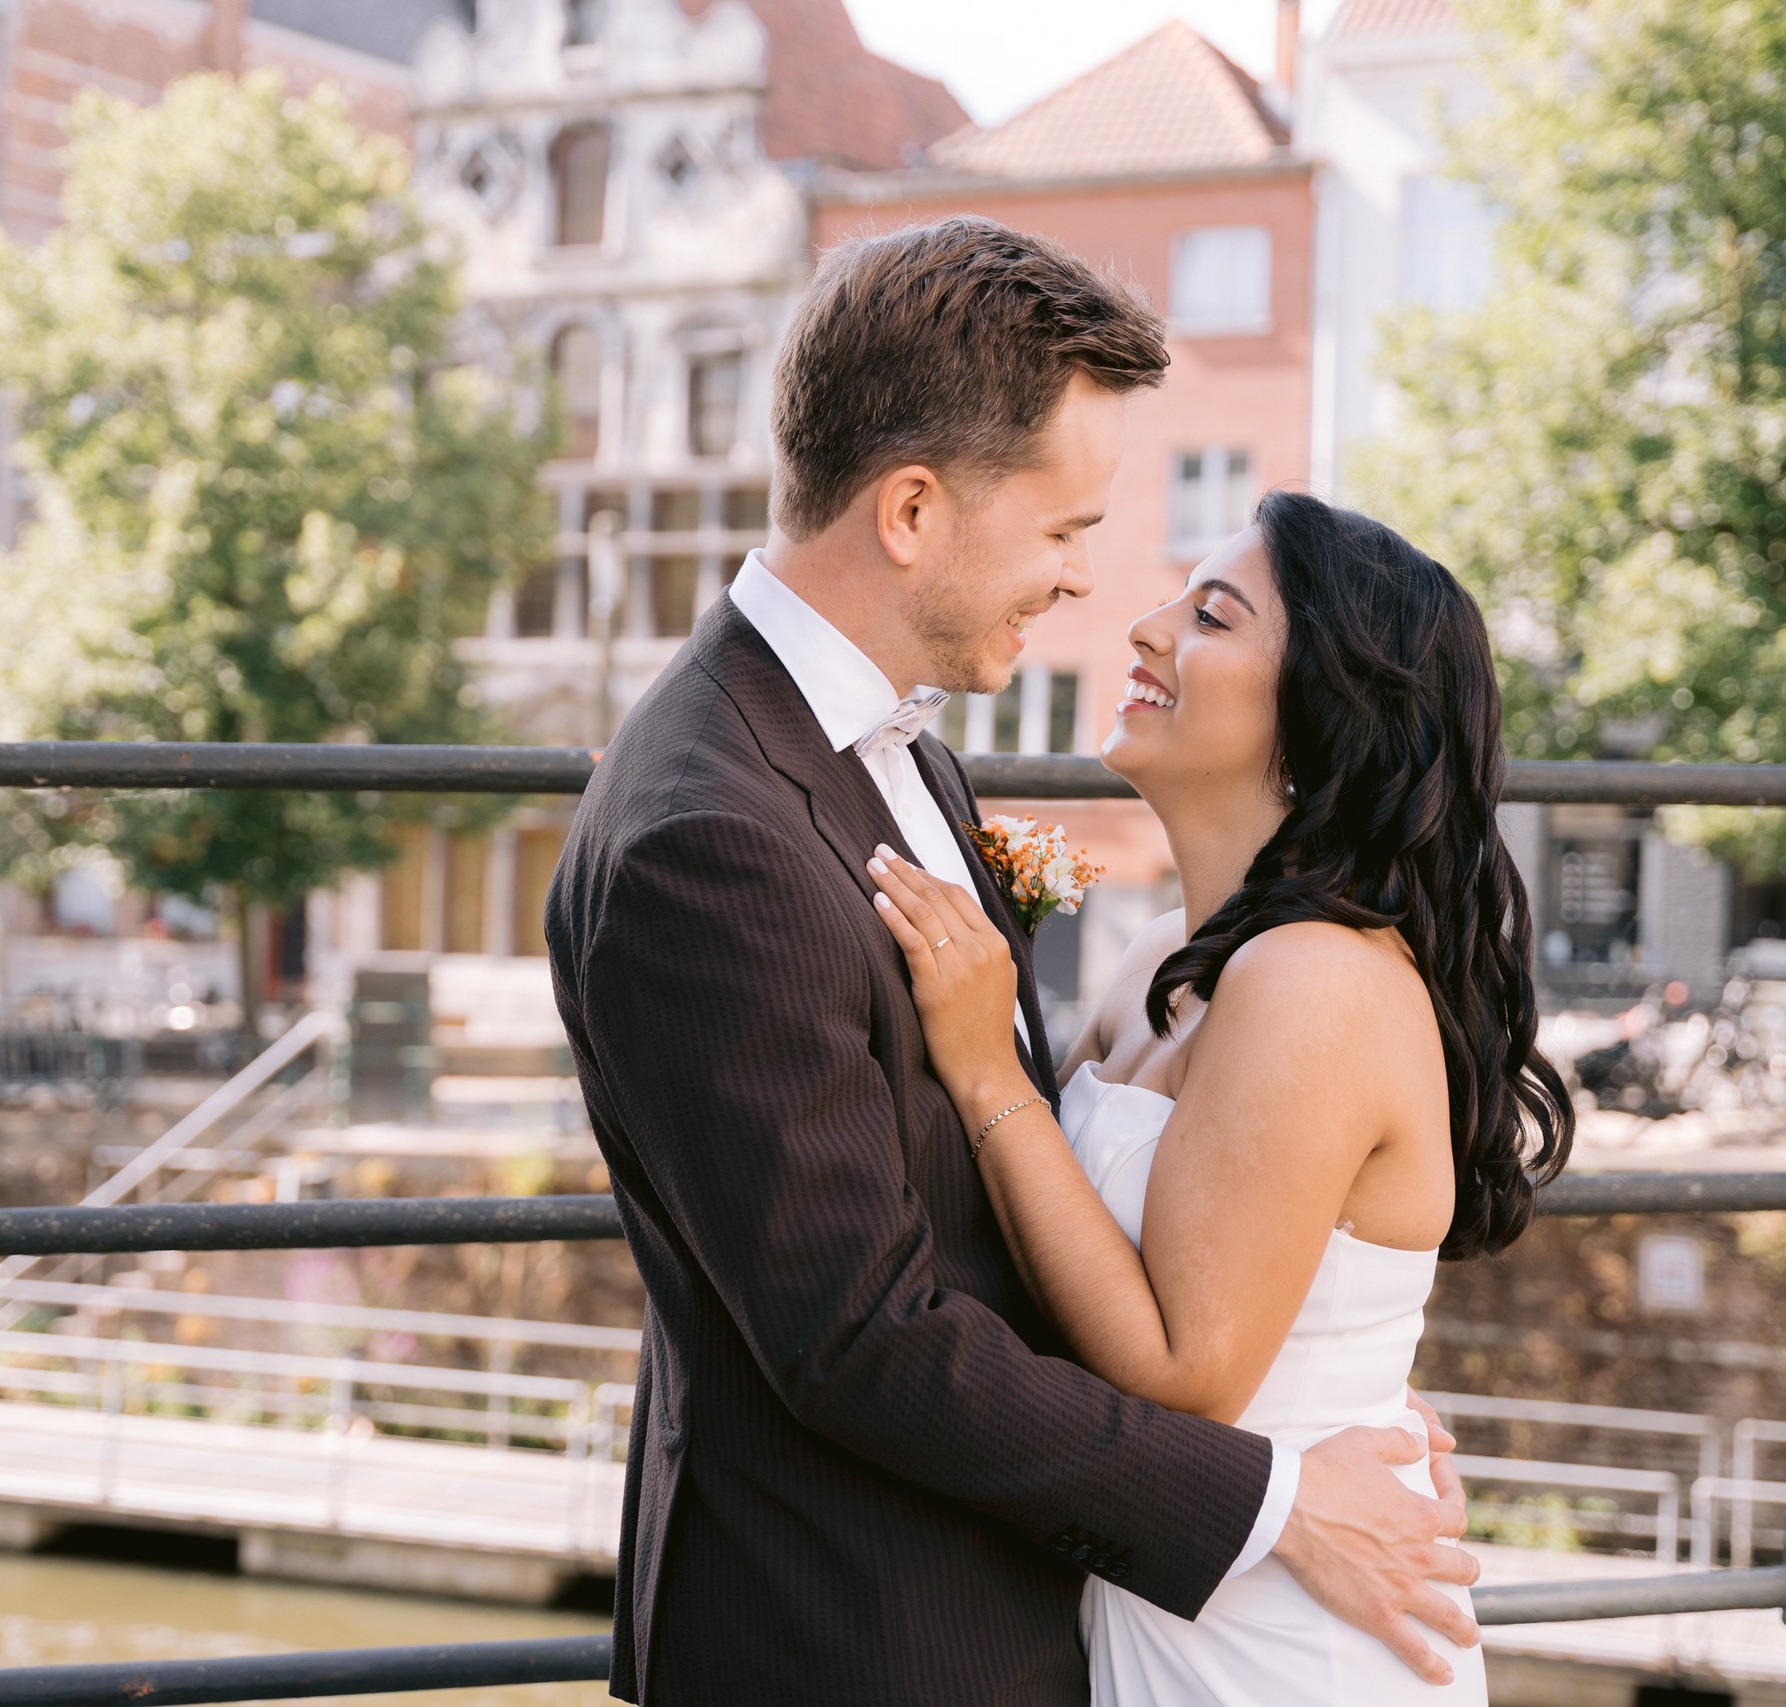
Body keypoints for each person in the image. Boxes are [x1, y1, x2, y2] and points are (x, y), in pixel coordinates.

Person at [546, 217, 1486, 1706]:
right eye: (1064, 531)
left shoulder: (894, 751)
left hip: (1033, 1601)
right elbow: (857, 1334)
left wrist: (1332, 1383)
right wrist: (1275, 1492)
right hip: (857, 1628)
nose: (1085, 585)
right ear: (913, 509)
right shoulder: (703, 829)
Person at [869, 490, 1574, 1704]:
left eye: (1209, 615)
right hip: (1178, 1573)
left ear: (1321, 717)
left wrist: (989, 1064)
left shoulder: (1315, 982)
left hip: (1281, 1640)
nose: (1142, 628)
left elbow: (1187, 1372)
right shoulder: (1157, 961)